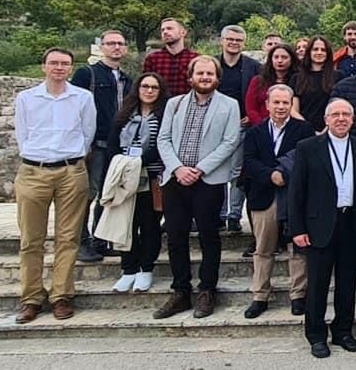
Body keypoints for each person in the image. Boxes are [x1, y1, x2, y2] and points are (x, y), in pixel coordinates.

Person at [153, 55, 242, 320]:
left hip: (208, 180)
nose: (205, 77)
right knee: (176, 236)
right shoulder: (175, 104)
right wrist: (178, 168)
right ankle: (181, 290)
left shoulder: (229, 105)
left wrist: (200, 169)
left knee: (208, 236)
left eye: (210, 74)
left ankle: (207, 289)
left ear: (217, 78)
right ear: (190, 77)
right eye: (200, 73)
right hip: (176, 179)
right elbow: (163, 139)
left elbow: (230, 142)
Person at [13, 48, 96, 323]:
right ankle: (31, 298)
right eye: (54, 63)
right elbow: (22, 134)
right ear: (44, 67)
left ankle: (61, 295)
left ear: (71, 68)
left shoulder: (82, 98)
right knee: (30, 239)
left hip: (71, 170)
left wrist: (71, 157)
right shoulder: (26, 98)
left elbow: (88, 132)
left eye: (64, 64)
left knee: (68, 237)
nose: (59, 68)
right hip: (33, 170)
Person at [288, 98, 356, 359]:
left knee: (347, 283)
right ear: (326, 119)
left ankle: (343, 331)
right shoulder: (307, 147)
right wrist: (297, 228)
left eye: (346, 114)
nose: (341, 119)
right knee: (317, 284)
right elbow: (296, 191)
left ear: (352, 119)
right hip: (318, 225)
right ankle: (316, 335)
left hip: (350, 223)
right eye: (336, 114)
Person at [241, 84, 314, 319]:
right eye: (276, 102)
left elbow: (306, 157)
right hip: (264, 195)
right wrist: (270, 175)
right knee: (264, 248)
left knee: (297, 248)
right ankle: (260, 296)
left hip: (294, 194)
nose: (281, 107)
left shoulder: (303, 129)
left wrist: (284, 173)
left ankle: (298, 295)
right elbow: (249, 161)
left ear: (292, 104)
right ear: (267, 104)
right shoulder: (255, 132)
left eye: (285, 102)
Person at [101, 73, 168, 295]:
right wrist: (122, 163)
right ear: (137, 89)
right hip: (124, 175)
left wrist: (139, 161)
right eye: (145, 86)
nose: (149, 91)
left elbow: (163, 144)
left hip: (151, 176)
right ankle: (128, 269)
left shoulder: (164, 115)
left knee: (149, 224)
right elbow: (112, 143)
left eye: (154, 87)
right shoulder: (124, 115)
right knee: (125, 223)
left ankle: (146, 268)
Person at [70, 29, 133, 262]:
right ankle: (81, 242)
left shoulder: (127, 79)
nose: (116, 47)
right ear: (102, 47)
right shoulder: (87, 74)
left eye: (120, 43)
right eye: (111, 43)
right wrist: (81, 144)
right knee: (87, 194)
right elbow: (73, 109)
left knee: (108, 194)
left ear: (125, 49)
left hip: (117, 147)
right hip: (94, 145)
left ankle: (100, 239)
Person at [215, 25, 261, 234]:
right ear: (222, 41)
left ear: (244, 43)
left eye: (238, 40)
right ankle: (219, 213)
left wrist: (250, 116)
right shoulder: (212, 64)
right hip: (216, 126)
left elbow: (260, 95)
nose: (234, 43)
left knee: (238, 172)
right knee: (217, 170)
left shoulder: (254, 67)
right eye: (230, 39)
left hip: (243, 125)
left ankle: (234, 215)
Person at [142, 18, 199, 97]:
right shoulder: (153, 59)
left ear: (183, 32)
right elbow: (145, 86)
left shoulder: (195, 59)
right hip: (161, 104)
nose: (165, 32)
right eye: (162, 30)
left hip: (186, 103)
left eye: (169, 28)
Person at [292, 36, 338, 133]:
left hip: (332, 129)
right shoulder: (297, 78)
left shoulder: (338, 76)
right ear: (309, 52)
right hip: (303, 131)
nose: (319, 52)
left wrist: (327, 129)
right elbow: (293, 110)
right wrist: (309, 129)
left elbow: (340, 105)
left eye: (323, 50)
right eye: (315, 49)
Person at [245, 43, 298, 127]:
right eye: (276, 57)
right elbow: (251, 109)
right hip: (261, 127)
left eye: (284, 57)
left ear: (292, 59)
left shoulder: (298, 81)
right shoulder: (258, 81)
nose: (279, 60)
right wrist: (263, 127)